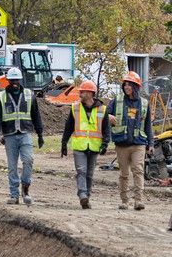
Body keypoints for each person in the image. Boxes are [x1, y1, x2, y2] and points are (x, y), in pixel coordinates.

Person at [0, 66, 45, 205]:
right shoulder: (2, 97)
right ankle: (14, 195)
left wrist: (40, 134)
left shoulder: (29, 95)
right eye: (12, 80)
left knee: (28, 160)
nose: (14, 82)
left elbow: (36, 115)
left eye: (17, 80)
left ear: (20, 80)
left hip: (25, 133)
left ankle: (25, 189)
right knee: (12, 166)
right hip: (9, 135)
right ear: (8, 81)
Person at [106, 70, 153, 210]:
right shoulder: (117, 100)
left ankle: (138, 201)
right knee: (124, 174)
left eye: (129, 84)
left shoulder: (144, 103)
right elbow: (103, 113)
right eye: (125, 84)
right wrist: (108, 117)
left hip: (138, 144)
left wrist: (150, 143)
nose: (126, 87)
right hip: (122, 144)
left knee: (138, 171)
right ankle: (124, 201)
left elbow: (148, 125)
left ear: (136, 86)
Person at [60, 80, 109, 209]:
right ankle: (82, 195)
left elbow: (106, 129)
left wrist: (105, 144)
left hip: (94, 146)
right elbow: (68, 127)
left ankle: (87, 196)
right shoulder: (75, 107)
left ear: (90, 93)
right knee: (81, 171)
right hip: (79, 146)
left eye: (82, 91)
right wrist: (64, 143)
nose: (80, 93)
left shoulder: (102, 109)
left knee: (89, 174)